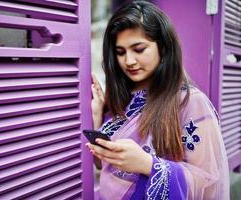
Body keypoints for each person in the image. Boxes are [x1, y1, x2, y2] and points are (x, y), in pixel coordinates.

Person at [86, 1, 230, 200]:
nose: (128, 61)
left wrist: (147, 164)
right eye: (120, 52)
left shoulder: (190, 102)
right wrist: (95, 117)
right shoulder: (121, 97)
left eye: (139, 49)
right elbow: (102, 164)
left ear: (163, 47)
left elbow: (208, 184)